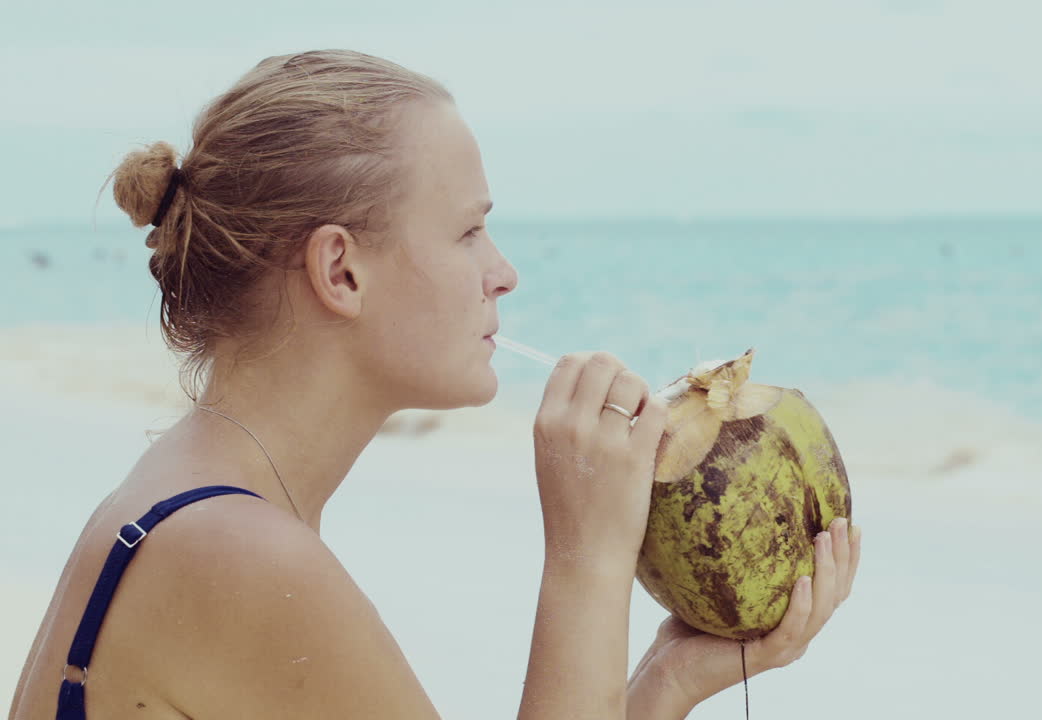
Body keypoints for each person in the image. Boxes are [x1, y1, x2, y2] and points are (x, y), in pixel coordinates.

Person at [7, 49, 861, 719]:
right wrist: (586, 557)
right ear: (341, 271)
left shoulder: (191, 504)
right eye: (469, 232)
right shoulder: (239, 553)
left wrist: (668, 679)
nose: (504, 273)